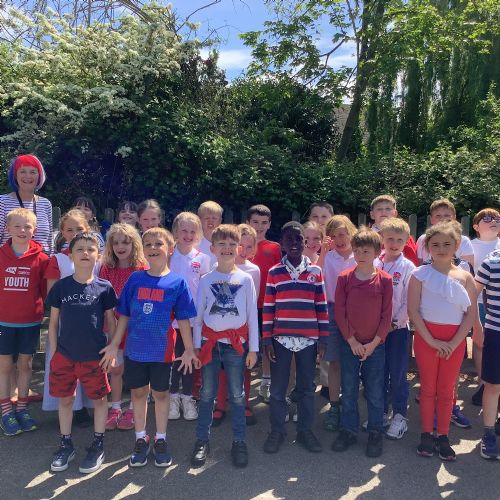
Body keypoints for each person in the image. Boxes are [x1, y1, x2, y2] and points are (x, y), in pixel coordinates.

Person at [103, 227, 199, 468]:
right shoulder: (135, 279)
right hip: (135, 350)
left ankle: (161, 439)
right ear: (143, 250)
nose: (153, 248)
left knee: (161, 394)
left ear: (170, 249)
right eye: (148, 244)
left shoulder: (178, 283)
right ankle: (140, 438)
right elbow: (123, 315)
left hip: (162, 352)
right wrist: (114, 344)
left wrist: (189, 349)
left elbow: (184, 320)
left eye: (158, 244)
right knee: (138, 393)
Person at [47, 232, 117, 473]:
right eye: (80, 249)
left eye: (91, 249)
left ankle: (98, 444)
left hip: (94, 357)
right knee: (65, 399)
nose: (85, 253)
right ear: (71, 255)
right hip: (65, 356)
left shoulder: (104, 287)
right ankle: (65, 444)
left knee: (99, 400)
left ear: (98, 255)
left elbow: (112, 322)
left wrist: (112, 349)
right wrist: (54, 353)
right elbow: (53, 323)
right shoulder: (61, 286)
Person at [191, 224, 258, 468]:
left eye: (232, 244)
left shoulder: (246, 279)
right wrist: (196, 347)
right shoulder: (206, 279)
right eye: (222, 244)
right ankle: (202, 440)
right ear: (212, 248)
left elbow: (252, 316)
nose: (227, 248)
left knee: (237, 395)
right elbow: (198, 317)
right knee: (207, 394)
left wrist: (254, 349)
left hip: (235, 346)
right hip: (210, 344)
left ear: (238, 248)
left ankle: (239, 441)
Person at [408, 221, 476, 461]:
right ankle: (426, 433)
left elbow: (470, 315)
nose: (441, 249)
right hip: (427, 339)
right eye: (435, 244)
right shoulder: (419, 275)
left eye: (447, 244)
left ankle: (443, 435)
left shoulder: (465, 277)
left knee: (447, 390)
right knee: (428, 388)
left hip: (454, 341)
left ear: (456, 245)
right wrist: (432, 341)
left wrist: (455, 342)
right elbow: (413, 311)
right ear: (428, 247)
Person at [262, 221, 328, 454]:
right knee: (277, 390)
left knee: (307, 387)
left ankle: (305, 431)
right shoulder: (274, 273)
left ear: (305, 242)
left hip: (308, 340)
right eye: (289, 239)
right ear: (282, 243)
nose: (294, 243)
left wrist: (323, 339)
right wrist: (267, 339)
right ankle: (277, 430)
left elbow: (321, 306)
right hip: (280, 339)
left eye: (298, 239)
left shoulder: (315, 272)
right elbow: (268, 308)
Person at [332, 228, 392, 458]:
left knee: (375, 391)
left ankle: (375, 432)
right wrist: (352, 341)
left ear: (377, 252)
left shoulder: (384, 280)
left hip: (375, 346)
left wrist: (374, 343)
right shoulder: (344, 278)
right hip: (350, 344)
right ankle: (348, 430)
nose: (360, 255)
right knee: (349, 389)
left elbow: (386, 316)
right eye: (356, 250)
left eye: (366, 251)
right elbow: (340, 312)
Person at [0, 209, 49, 435]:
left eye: (27, 226)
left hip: (29, 323)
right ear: (7, 229)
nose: (22, 230)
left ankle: (21, 408)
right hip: (3, 323)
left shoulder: (42, 259)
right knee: (5, 367)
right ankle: (6, 411)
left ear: (34, 230)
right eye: (17, 226)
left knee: (26, 365)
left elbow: (46, 292)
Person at [43, 209, 94, 426]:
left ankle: (82, 407)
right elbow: (53, 295)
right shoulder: (58, 259)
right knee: (65, 365)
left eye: (79, 229)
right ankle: (66, 407)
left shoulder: (94, 257)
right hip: (66, 323)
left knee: (86, 363)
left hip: (89, 322)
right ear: (63, 233)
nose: (74, 233)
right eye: (69, 230)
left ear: (87, 230)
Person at [98, 223, 148, 431]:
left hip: (136, 328)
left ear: (134, 244)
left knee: (136, 371)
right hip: (113, 326)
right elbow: (103, 299)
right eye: (116, 242)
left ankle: (134, 409)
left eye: (126, 242)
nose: (120, 247)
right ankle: (116, 407)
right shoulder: (106, 269)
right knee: (116, 369)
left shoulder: (142, 269)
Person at [212, 224, 261, 426]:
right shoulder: (217, 267)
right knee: (221, 366)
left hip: (243, 329)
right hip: (220, 328)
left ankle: (244, 404)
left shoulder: (253, 271)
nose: (243, 250)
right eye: (241, 245)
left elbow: (252, 304)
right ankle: (220, 404)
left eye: (249, 247)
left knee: (244, 368)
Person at [374, 218, 416, 439]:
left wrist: (393, 323)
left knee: (398, 373)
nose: (394, 243)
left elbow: (409, 301)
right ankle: (380, 412)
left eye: (400, 240)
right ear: (381, 238)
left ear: (406, 241)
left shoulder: (408, 267)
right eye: (390, 238)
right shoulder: (374, 262)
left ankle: (399, 415)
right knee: (378, 373)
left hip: (397, 330)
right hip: (374, 330)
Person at [169, 212, 210, 421]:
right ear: (175, 232)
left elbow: (205, 291)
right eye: (184, 230)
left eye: (192, 231)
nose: (188, 235)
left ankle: (187, 398)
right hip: (171, 321)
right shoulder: (168, 256)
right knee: (174, 359)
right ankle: (173, 398)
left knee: (191, 359)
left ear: (198, 234)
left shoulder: (203, 259)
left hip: (194, 320)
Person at [322, 215, 357, 432]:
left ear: (351, 232)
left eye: (342, 234)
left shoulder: (360, 254)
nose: (339, 240)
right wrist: (323, 252)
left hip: (355, 311)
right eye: (334, 237)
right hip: (333, 310)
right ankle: (334, 405)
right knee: (334, 361)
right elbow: (316, 275)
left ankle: (350, 405)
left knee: (352, 362)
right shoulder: (328, 257)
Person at [247, 204, 282, 403]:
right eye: (255, 222)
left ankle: (266, 382)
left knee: (267, 343)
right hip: (245, 306)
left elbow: (279, 274)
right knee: (245, 344)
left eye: (263, 222)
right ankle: (240, 383)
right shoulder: (241, 245)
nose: (259, 226)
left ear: (269, 224)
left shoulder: (274, 247)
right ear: (248, 222)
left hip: (268, 304)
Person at [469, 208, 500, 407]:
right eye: (487, 218)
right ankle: (483, 382)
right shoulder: (470, 246)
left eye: (497, 218)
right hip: (478, 301)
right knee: (480, 343)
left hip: (496, 304)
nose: (493, 221)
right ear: (476, 226)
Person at [474, 248, 500, 459]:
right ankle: (488, 434)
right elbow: (471, 295)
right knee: (493, 385)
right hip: (496, 332)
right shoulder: (491, 263)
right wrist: (477, 325)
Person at [0, 154, 53, 255]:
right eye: (22, 171)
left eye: (32, 172)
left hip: (42, 262)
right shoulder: (3, 202)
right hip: (11, 262)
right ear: (15, 175)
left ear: (39, 176)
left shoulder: (45, 204)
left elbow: (50, 242)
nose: (28, 176)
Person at [415, 198, 474, 266]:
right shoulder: (422, 240)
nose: (442, 219)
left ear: (454, 218)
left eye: (447, 215)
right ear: (431, 219)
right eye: (438, 216)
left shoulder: (463, 241)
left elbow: (468, 267)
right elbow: (419, 266)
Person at [369, 194, 418, 266]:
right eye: (379, 209)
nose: (383, 212)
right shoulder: (365, 236)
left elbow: (413, 263)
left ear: (395, 213)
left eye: (388, 209)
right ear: (372, 214)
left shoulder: (403, 236)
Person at [197, 200, 223, 266]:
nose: (210, 221)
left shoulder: (224, 241)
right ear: (199, 220)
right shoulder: (195, 242)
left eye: (214, 218)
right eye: (207, 218)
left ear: (220, 220)